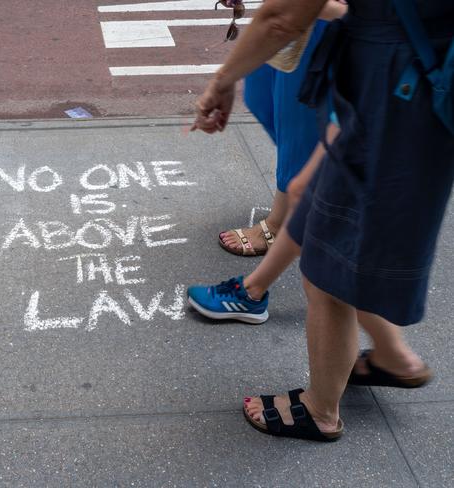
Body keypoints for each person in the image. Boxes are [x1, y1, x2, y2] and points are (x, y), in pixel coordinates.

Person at [189, 0, 454, 441]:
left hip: (394, 92)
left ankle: (320, 410)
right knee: (329, 225)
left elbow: (282, 16)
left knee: (327, 266)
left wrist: (221, 81)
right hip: (410, 81)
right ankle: (391, 357)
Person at [216, 0, 347, 257]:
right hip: (292, 14)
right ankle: (319, 173)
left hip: (321, 17)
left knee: (295, 122)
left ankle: (280, 222)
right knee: (260, 93)